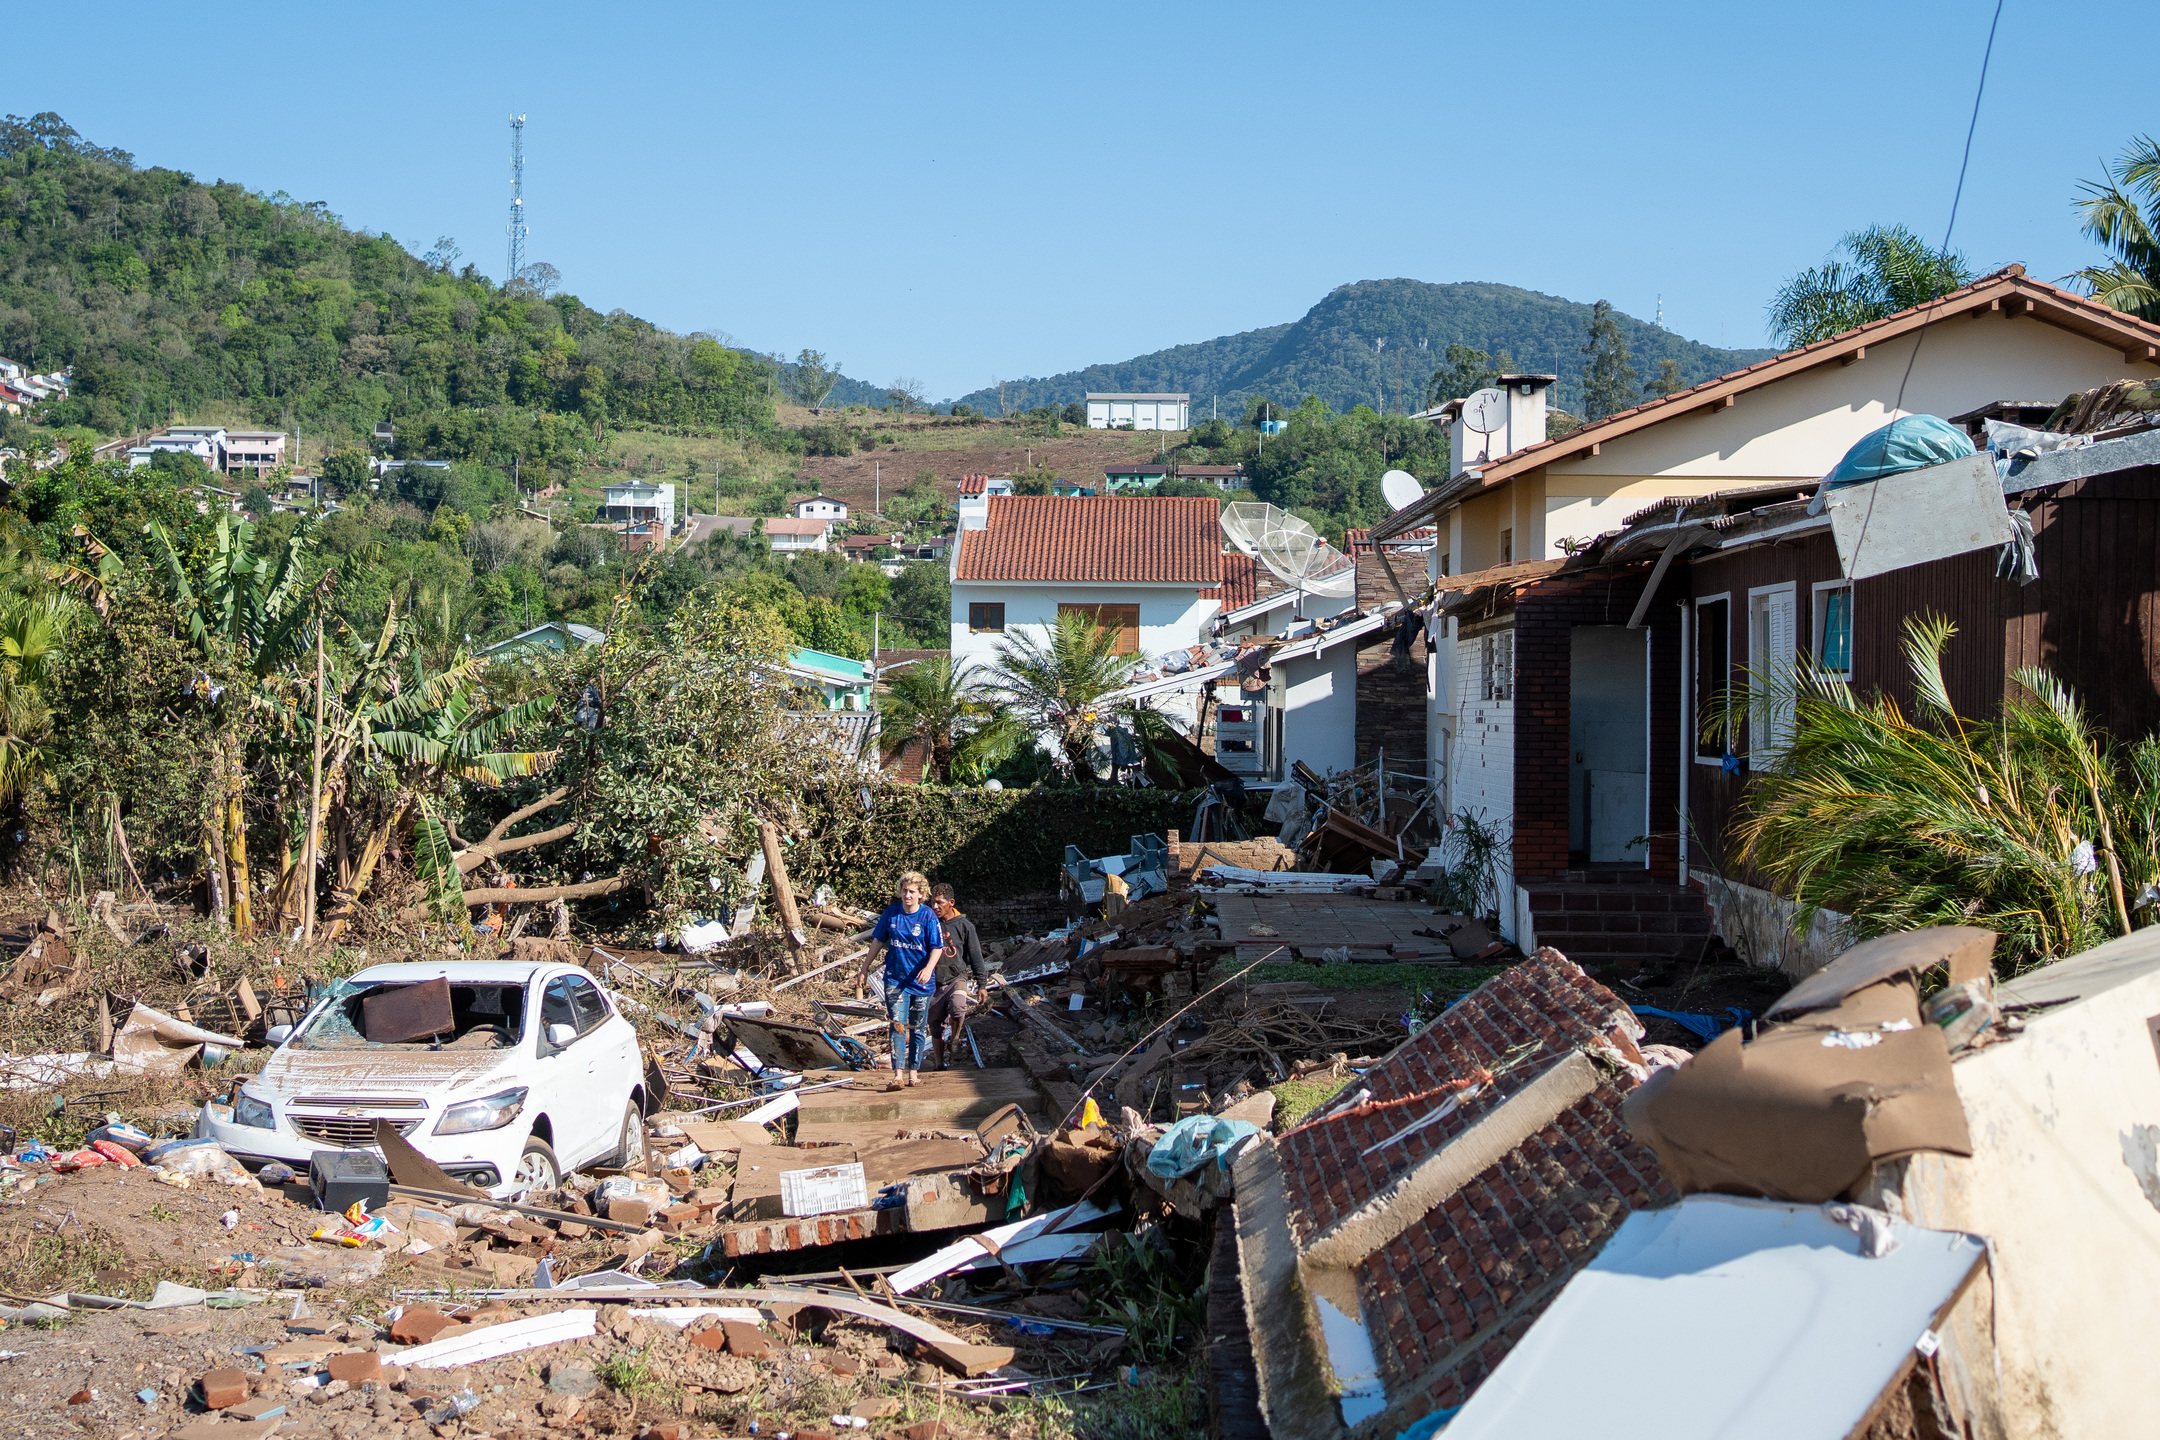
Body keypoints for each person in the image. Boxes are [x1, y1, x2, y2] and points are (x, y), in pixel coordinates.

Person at [862, 871, 942, 1089]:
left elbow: (937, 947)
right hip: (896, 980)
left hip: (921, 982)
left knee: (916, 1026)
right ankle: (898, 1074)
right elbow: (878, 941)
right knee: (898, 1024)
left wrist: (928, 968)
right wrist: (864, 968)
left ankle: (913, 1072)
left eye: (912, 892)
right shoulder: (892, 913)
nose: (907, 895)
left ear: (921, 894)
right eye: (904, 891)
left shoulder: (927, 916)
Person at [927, 883, 990, 1070]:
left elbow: (975, 956)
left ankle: (955, 1037)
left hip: (957, 978)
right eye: (933, 903)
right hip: (934, 980)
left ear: (951, 902)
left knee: (958, 1008)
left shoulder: (964, 926)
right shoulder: (930, 924)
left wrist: (982, 985)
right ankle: (939, 1064)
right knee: (935, 1025)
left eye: (939, 903)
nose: (935, 907)